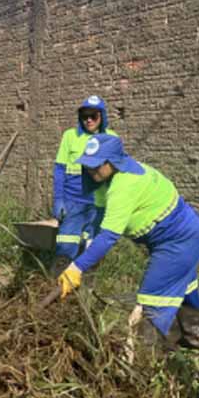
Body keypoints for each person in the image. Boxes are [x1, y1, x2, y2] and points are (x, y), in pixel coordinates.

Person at [55, 134, 199, 352]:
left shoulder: (124, 186)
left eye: (96, 165)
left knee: (149, 305)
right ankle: (198, 339)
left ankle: (143, 362)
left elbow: (109, 236)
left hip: (178, 241)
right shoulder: (113, 177)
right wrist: (90, 242)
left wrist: (76, 267)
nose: (91, 170)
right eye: (88, 165)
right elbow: (101, 216)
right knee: (184, 284)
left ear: (113, 161)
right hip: (183, 235)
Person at [52, 96, 117, 273]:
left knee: (92, 248)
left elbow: (117, 171)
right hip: (73, 201)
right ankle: (59, 286)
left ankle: (86, 290)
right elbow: (59, 169)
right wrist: (59, 200)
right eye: (84, 116)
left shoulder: (111, 138)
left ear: (102, 116)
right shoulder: (70, 136)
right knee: (66, 245)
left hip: (99, 202)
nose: (89, 120)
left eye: (93, 116)